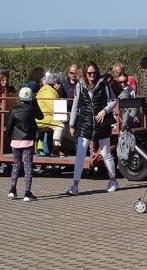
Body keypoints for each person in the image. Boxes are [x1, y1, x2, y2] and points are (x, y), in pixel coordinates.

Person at [66, 61, 118, 196]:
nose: (92, 75)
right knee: (81, 153)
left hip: (102, 122)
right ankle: (75, 184)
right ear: (85, 73)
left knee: (105, 152)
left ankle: (113, 180)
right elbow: (76, 105)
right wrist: (72, 124)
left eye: (94, 72)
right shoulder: (80, 85)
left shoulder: (104, 84)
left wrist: (104, 111)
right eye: (89, 73)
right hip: (85, 122)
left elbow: (114, 100)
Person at [5, 87, 44, 201]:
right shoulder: (32, 109)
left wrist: (7, 141)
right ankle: (27, 193)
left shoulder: (13, 110)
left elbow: (9, 127)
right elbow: (41, 116)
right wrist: (35, 101)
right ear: (31, 98)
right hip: (28, 141)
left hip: (15, 141)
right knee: (27, 167)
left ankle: (12, 190)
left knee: (16, 165)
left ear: (19, 98)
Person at [36, 72, 66, 156]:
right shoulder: (49, 92)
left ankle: (57, 147)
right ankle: (55, 148)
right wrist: (65, 118)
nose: (60, 86)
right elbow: (54, 107)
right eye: (59, 83)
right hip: (44, 117)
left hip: (45, 116)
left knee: (62, 124)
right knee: (61, 126)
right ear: (54, 83)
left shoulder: (47, 90)